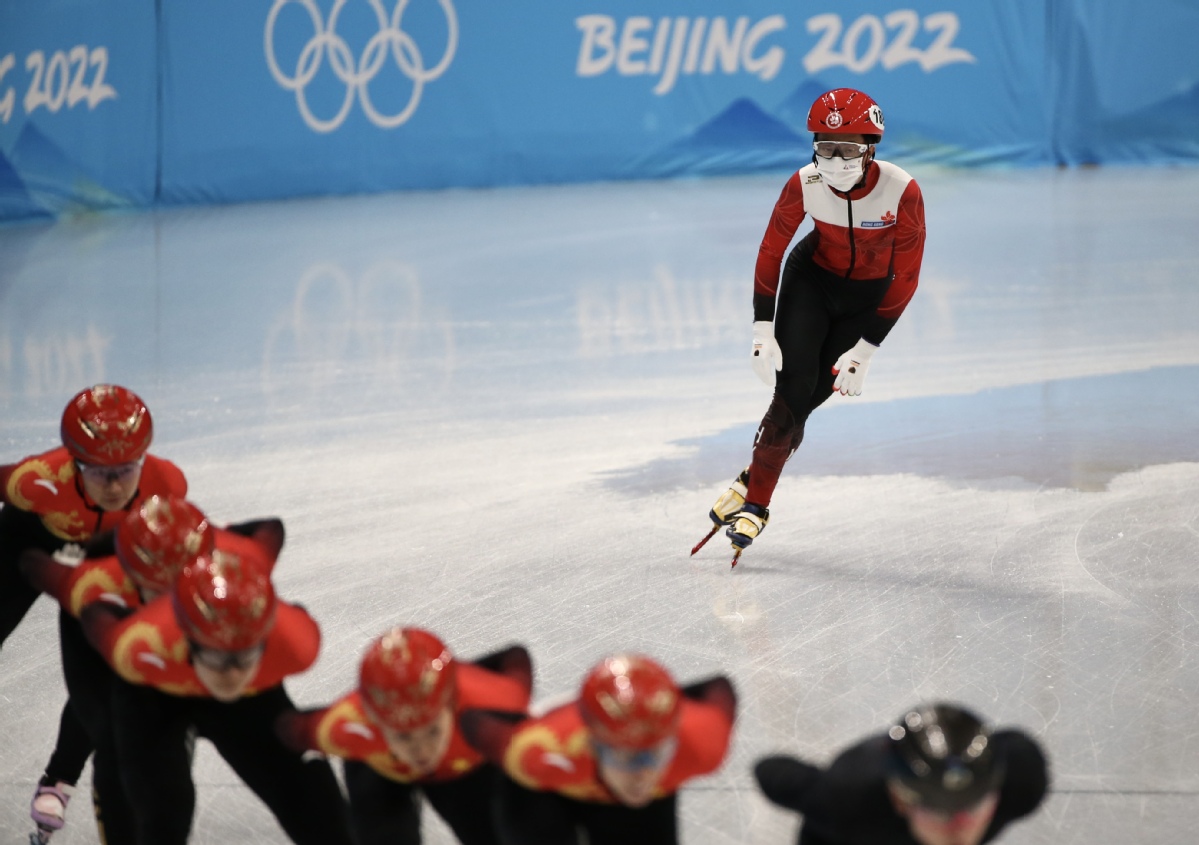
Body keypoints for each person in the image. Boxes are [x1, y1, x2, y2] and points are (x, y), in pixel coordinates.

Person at [696, 88, 926, 565]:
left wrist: (866, 350)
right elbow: (770, 252)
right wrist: (762, 328)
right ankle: (757, 505)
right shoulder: (804, 183)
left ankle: (752, 478)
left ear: (872, 147)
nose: (835, 160)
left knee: (808, 398)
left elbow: (906, 277)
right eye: (825, 147)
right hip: (811, 284)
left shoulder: (903, 191)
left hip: (869, 299)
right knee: (791, 395)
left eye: (847, 150)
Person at [18, 495, 288, 844]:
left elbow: (269, 531)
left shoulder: (223, 579)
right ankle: (59, 777)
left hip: (191, 638)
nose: (170, 600)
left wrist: (221, 542)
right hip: (122, 646)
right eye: (158, 588)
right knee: (113, 728)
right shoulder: (99, 594)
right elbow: (92, 704)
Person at [0, 384, 187, 842]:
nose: (115, 485)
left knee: (106, 671)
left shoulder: (167, 486)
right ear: (73, 462)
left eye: (126, 470)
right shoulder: (36, 480)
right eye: (98, 472)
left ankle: (59, 780)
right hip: (29, 542)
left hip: (101, 560)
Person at [79, 547, 355, 845]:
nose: (233, 674)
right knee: (161, 812)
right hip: (154, 693)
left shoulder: (294, 644)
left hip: (247, 695)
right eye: (220, 657)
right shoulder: (138, 651)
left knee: (323, 813)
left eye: (244, 655)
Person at [276, 626, 533, 845]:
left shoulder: (494, 706)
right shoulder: (346, 727)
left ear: (453, 706)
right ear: (373, 721)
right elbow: (292, 731)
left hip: (460, 761)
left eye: (431, 731)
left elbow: (515, 662)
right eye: (404, 736)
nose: (421, 752)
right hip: (380, 766)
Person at [460, 653, 736, 845]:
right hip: (548, 785)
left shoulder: (701, 744)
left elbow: (720, 687)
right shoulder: (538, 751)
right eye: (626, 757)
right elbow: (473, 721)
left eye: (658, 752)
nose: (644, 774)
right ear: (592, 745)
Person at [753, 702, 1049, 845]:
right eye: (943, 815)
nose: (961, 831)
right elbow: (771, 772)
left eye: (976, 805)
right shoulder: (850, 800)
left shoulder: (1022, 783)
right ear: (899, 800)